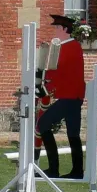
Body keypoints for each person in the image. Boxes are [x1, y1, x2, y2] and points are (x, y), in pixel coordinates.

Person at [37, 13, 86, 179]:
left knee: (43, 124)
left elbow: (57, 70)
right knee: (73, 133)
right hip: (72, 96)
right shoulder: (68, 46)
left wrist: (44, 82)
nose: (56, 31)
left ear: (65, 29)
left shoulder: (68, 47)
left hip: (70, 96)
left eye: (58, 28)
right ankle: (77, 171)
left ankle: (54, 169)